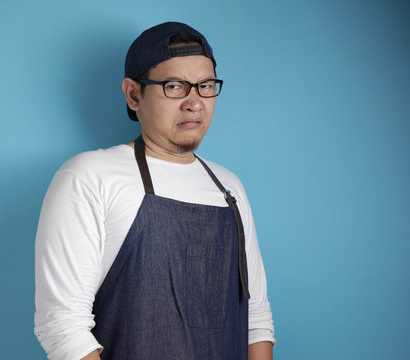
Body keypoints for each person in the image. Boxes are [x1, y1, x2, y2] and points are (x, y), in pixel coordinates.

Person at [34, 21, 275, 360]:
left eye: (205, 85)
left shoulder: (229, 189)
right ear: (134, 94)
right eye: (175, 86)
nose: (194, 103)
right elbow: (62, 327)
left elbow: (256, 319)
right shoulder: (88, 178)